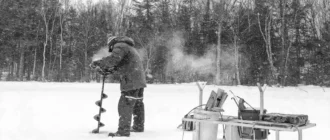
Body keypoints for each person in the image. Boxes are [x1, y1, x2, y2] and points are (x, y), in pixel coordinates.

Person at [90, 36, 146, 137]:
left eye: (110, 48)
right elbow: (123, 65)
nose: (111, 50)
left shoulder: (120, 45)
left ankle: (123, 131)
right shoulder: (129, 47)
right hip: (138, 80)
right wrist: (110, 70)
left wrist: (98, 63)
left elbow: (113, 60)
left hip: (131, 80)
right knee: (137, 103)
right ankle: (138, 126)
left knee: (125, 103)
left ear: (112, 43)